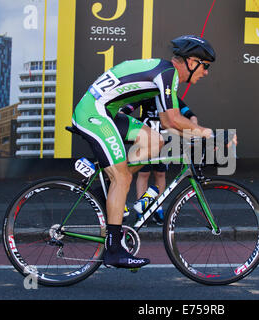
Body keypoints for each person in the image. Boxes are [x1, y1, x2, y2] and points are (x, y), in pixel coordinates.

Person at [71, 35, 216, 269]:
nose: (206, 72)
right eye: (205, 66)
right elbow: (175, 119)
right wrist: (207, 134)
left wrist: (193, 136)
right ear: (191, 61)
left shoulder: (166, 75)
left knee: (154, 140)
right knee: (123, 178)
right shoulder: (168, 74)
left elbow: (168, 123)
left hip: (105, 112)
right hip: (93, 113)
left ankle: (107, 188)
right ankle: (114, 250)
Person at [121, 97, 198, 225]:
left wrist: (193, 127)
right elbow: (127, 109)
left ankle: (158, 207)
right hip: (146, 140)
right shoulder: (147, 95)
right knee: (143, 173)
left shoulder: (170, 97)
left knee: (160, 174)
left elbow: (190, 114)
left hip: (165, 141)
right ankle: (142, 209)